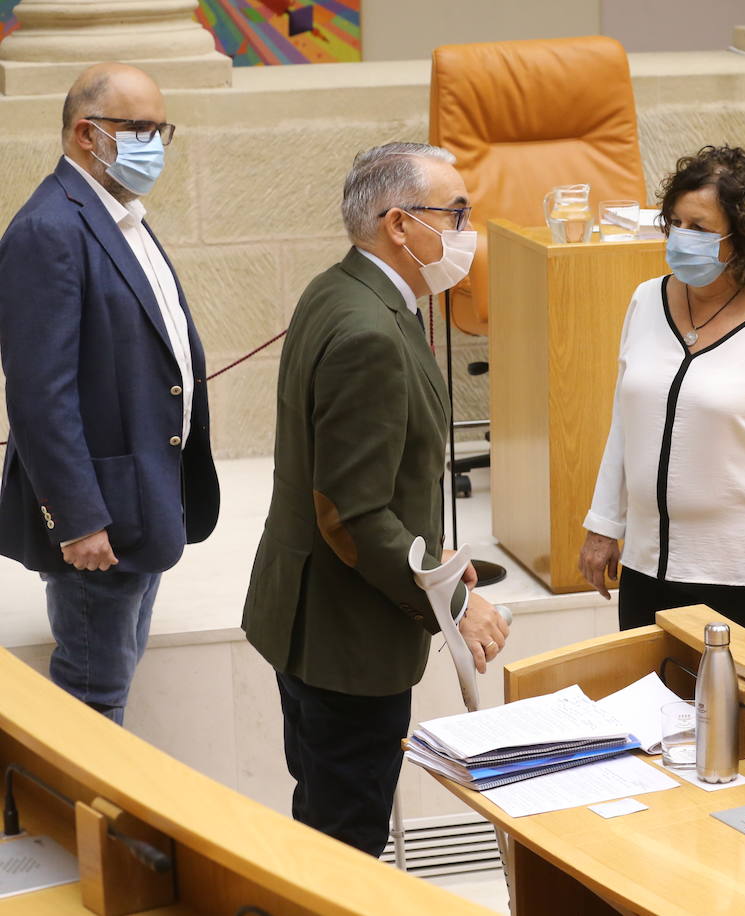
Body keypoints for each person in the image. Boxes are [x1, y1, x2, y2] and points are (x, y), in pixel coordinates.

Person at [241, 142, 509, 856]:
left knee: (325, 820)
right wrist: (451, 602)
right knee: (346, 847)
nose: (464, 231)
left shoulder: (339, 288)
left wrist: (436, 557)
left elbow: (361, 479)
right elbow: (351, 513)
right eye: (454, 214)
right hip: (347, 639)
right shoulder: (368, 330)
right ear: (399, 224)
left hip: (310, 620)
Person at [0, 63, 219, 724]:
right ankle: (78, 825)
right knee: (92, 697)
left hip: (143, 494)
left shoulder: (118, 214)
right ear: (86, 133)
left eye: (163, 129)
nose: (155, 144)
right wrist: (78, 518)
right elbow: (40, 397)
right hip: (99, 516)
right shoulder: (49, 230)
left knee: (116, 674)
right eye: (141, 128)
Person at [579, 146, 745, 648]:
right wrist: (603, 524)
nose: (680, 238)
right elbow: (624, 424)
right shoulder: (645, 300)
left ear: (743, 238)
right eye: (674, 222)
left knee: (730, 722)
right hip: (647, 564)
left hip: (744, 575)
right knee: (650, 715)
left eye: (698, 227)